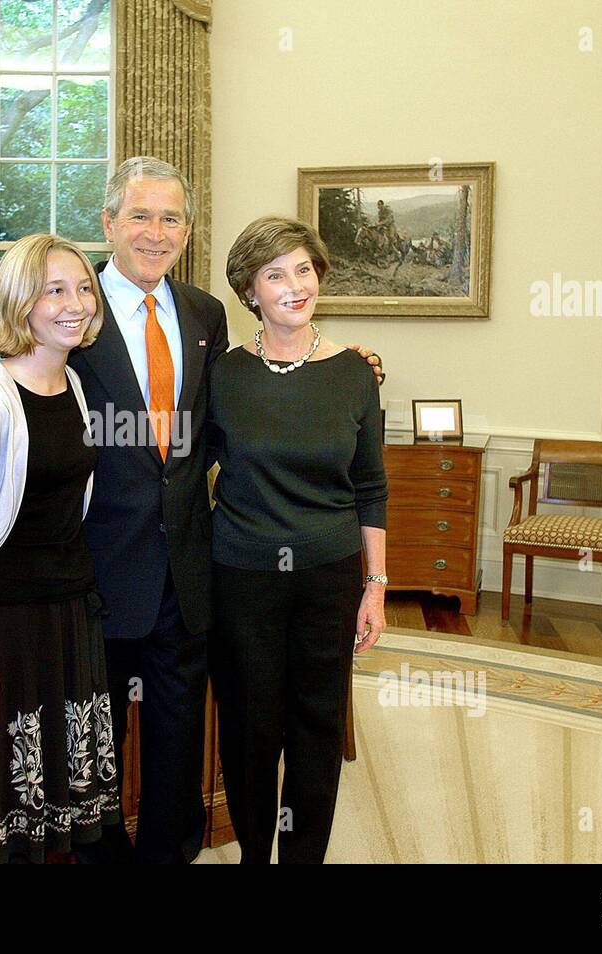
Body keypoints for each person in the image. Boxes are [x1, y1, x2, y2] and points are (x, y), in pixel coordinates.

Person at [0, 157, 387, 864]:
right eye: (140, 216)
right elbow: (15, 385)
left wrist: (341, 369)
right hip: (94, 576)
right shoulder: (73, 311)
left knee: (179, 749)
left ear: (187, 229)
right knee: (97, 745)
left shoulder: (205, 314)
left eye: (171, 218)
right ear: (109, 222)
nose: (155, 232)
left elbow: (237, 413)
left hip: (191, 571)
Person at [0, 232, 120, 863]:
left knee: (51, 819)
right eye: (54, 290)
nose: (76, 303)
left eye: (84, 288)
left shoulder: (76, 388)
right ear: (20, 302)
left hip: (68, 622)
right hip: (4, 632)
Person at [207, 216, 388, 864]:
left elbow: (370, 486)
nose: (294, 285)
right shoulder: (223, 375)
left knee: (315, 732)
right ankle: (257, 855)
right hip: (242, 578)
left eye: (303, 269)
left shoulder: (354, 373)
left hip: (328, 577)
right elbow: (176, 461)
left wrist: (377, 585)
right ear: (250, 291)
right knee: (250, 732)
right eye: (275, 274)